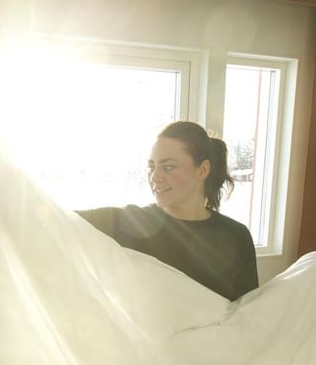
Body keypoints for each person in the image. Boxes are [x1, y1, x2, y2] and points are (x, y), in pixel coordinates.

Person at [78, 121, 258, 301]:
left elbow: (248, 312)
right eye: (151, 166)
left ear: (202, 170)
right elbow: (63, 222)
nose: (154, 176)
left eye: (168, 167)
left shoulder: (237, 236)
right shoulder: (130, 222)